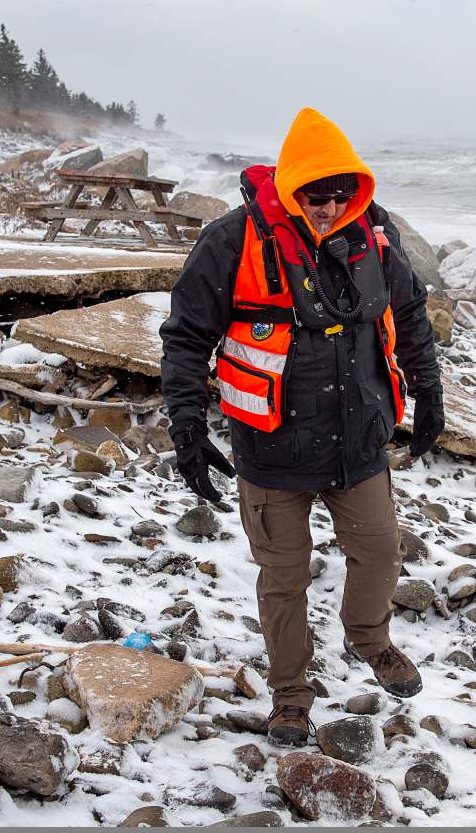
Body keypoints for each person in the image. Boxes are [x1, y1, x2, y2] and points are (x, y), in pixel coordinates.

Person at [159, 107, 446, 746]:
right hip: (271, 450)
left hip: (360, 443)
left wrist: (430, 395)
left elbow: (412, 314)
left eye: (342, 192)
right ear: (291, 186)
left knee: (378, 551)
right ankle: (291, 693)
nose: (328, 205)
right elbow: (183, 339)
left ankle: (369, 639)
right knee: (283, 578)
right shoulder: (230, 242)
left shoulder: (376, 237)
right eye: (315, 193)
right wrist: (187, 427)